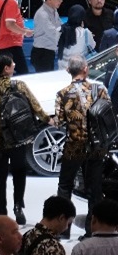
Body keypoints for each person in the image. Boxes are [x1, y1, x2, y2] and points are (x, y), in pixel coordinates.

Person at [0, 54, 50, 223]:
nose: (15, 64)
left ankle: (1, 213)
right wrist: (48, 119)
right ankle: (18, 206)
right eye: (12, 63)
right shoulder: (19, 85)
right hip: (17, 138)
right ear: (6, 68)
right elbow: (35, 106)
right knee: (19, 173)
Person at [54, 55, 107, 210]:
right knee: (94, 188)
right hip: (96, 145)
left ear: (68, 70)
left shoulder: (62, 93)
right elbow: (107, 114)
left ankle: (63, 227)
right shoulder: (99, 90)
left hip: (74, 145)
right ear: (85, 69)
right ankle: (94, 229)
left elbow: (59, 122)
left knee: (65, 185)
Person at [30, 0, 63, 73]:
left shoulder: (54, 10)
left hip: (49, 52)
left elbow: (60, 26)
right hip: (42, 53)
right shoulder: (42, 14)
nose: (61, 1)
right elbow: (53, 33)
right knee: (44, 82)